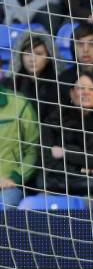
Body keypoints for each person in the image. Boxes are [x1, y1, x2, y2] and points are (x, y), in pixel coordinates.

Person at [40, 72, 93, 198]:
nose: (86, 92)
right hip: (55, 187)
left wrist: (66, 152)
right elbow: (46, 159)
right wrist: (81, 170)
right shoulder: (54, 120)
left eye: (91, 89)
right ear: (72, 93)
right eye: (80, 88)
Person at [0, 77, 39, 208]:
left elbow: (34, 149)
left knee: (5, 203)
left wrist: (15, 177)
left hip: (9, 185)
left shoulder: (19, 104)